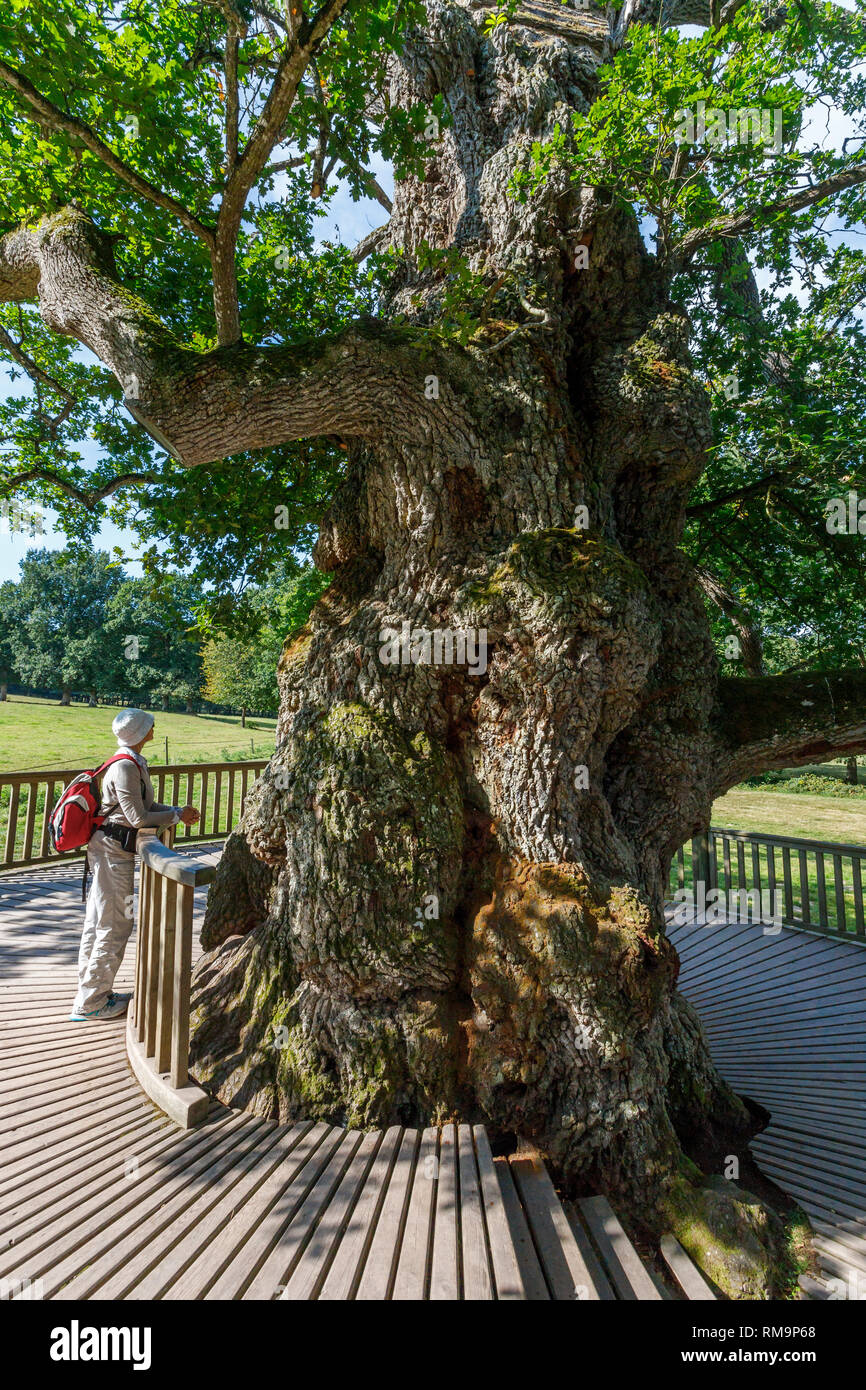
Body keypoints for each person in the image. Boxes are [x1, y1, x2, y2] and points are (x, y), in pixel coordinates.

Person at [70, 709, 200, 1021]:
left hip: (112, 852)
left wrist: (175, 811)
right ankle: (92, 1003)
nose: (154, 726)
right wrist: (176, 817)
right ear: (142, 732)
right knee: (116, 925)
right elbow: (138, 818)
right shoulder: (126, 766)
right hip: (113, 854)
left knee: (102, 922)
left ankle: (93, 992)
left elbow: (142, 807)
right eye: (149, 723)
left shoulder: (130, 761)